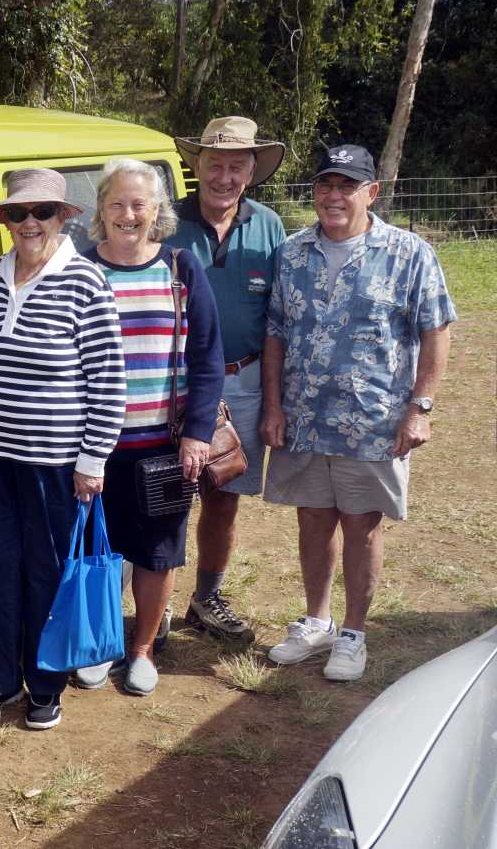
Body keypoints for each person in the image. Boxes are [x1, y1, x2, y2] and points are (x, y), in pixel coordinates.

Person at [261, 144, 455, 682]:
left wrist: (420, 408)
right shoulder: (293, 253)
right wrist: (274, 405)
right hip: (304, 416)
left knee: (363, 526)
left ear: (372, 192)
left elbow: (436, 330)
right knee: (313, 518)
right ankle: (316, 620)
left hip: (374, 422)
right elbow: (275, 332)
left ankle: (353, 633)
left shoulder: (409, 253)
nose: (334, 195)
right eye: (326, 184)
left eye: (347, 186)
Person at [0, 168, 125, 730]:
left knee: (46, 572)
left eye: (42, 213)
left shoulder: (86, 282)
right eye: (18, 214)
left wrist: (93, 461)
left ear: (62, 218)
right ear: (3, 222)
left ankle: (45, 686)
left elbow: (108, 380)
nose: (30, 224)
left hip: (57, 461)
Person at [77, 159, 224, 697]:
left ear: (158, 210)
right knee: (97, 549)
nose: (128, 214)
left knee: (157, 550)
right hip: (90, 445)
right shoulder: (79, 270)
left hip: (160, 444)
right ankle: (101, 645)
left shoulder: (180, 269)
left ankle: (141, 650)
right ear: (100, 211)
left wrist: (197, 434)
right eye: (117, 203)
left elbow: (208, 357)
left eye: (140, 204)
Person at [167, 116, 287, 643]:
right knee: (163, 496)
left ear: (253, 170)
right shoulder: (165, 222)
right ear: (196, 165)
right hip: (170, 382)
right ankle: (153, 607)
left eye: (237, 165)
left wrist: (277, 400)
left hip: (243, 381)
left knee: (224, 494)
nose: (224, 175)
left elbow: (280, 318)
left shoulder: (270, 227)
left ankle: (206, 597)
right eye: (214, 163)